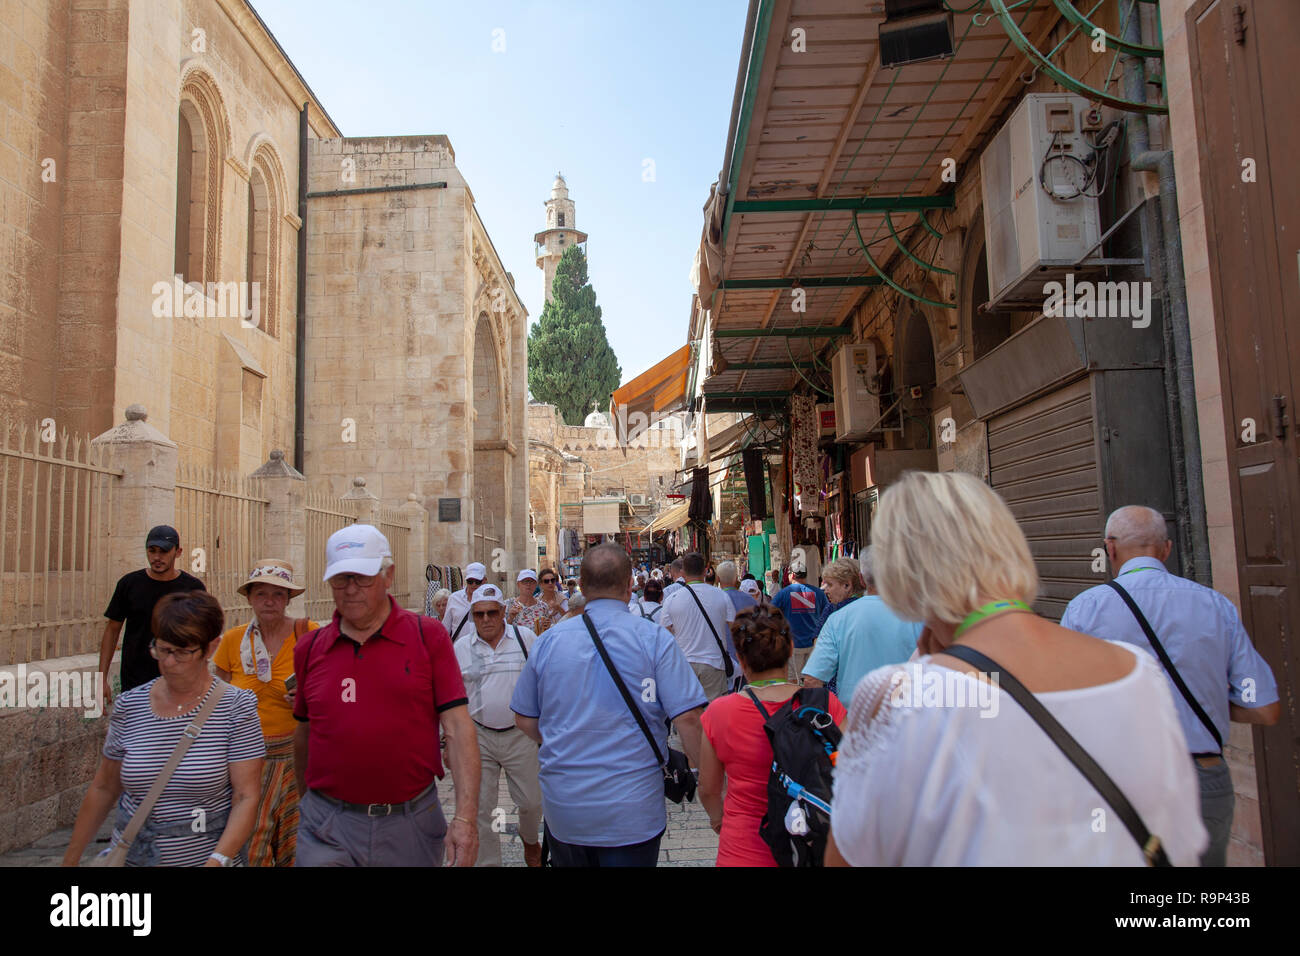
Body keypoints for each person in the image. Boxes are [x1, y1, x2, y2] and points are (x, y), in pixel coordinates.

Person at [826, 471, 1208, 866]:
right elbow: (1178, 845)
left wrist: (920, 668)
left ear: (900, 575)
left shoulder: (897, 696)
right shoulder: (1139, 672)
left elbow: (849, 858)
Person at [1060, 505, 1281, 867]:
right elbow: (1264, 706)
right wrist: (1204, 700)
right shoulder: (1215, 606)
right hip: (1202, 781)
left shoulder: (1086, 610)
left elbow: (1064, 702)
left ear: (1110, 549)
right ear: (1166, 549)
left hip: (1121, 782)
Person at [292, 524, 480, 867]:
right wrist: (310, 805)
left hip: (408, 824)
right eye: (340, 579)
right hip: (326, 825)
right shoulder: (310, 648)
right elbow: (304, 732)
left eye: (362, 578)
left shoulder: (428, 638)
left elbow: (457, 727)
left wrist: (466, 820)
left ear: (388, 575)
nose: (350, 590)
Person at [511, 544, 707, 867]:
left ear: (581, 588)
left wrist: (563, 738)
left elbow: (523, 717)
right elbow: (689, 719)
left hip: (567, 810)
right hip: (633, 811)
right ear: (631, 585)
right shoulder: (654, 640)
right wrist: (709, 790)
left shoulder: (548, 643)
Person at [64, 591, 263, 866]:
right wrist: (71, 860)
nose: (168, 662)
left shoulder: (236, 708)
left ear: (210, 648)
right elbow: (104, 787)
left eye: (182, 652)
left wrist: (217, 861)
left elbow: (246, 796)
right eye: (163, 649)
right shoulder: (129, 706)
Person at [698, 606, 848, 866]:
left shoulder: (719, 712)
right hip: (814, 844)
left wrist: (718, 819)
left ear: (740, 659)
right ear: (790, 649)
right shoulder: (825, 705)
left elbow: (709, 789)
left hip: (744, 846)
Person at [210, 560, 318, 867]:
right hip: (247, 760)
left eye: (277, 594)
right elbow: (215, 698)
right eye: (261, 594)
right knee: (252, 844)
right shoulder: (232, 641)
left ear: (288, 599)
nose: (269, 601)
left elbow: (334, 687)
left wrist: (308, 697)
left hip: (298, 757)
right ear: (249, 598)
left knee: (298, 844)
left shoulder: (308, 634)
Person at [453, 583, 543, 867]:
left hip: (521, 734)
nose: (486, 620)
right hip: (478, 736)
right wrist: (448, 740)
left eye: (492, 612)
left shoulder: (525, 638)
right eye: (479, 614)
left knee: (531, 802)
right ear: (472, 615)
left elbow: (544, 680)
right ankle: (489, 862)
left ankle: (531, 841)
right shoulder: (461, 649)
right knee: (482, 808)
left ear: (504, 611)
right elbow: (453, 697)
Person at [99, 525, 206, 703]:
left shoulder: (193, 588)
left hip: (178, 683)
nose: (157, 557)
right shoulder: (129, 584)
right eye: (152, 551)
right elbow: (112, 630)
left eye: (163, 551)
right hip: (135, 684)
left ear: (178, 552)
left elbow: (203, 637)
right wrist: (101, 680)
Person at [802, 547, 922, 705]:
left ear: (862, 579)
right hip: (907, 717)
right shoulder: (919, 617)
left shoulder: (838, 619)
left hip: (853, 718)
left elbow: (812, 679)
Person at [659, 552, 737, 701]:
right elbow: (735, 629)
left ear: (683, 572)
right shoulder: (721, 596)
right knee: (713, 715)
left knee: (687, 713)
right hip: (714, 664)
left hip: (684, 665)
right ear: (706, 570)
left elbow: (665, 636)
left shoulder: (672, 600)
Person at [771, 562, 830, 682]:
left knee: (792, 680)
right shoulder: (819, 593)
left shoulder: (784, 593)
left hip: (793, 645)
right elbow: (827, 615)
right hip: (814, 645)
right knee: (812, 679)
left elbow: (770, 613)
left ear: (792, 575)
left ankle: (795, 701)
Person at [443, 561, 487, 642]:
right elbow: (445, 628)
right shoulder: (454, 598)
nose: (473, 585)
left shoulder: (490, 600)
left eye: (477, 582)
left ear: (484, 580)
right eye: (470, 581)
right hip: (459, 650)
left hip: (483, 649)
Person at [517, 567, 567, 635]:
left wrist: (559, 608)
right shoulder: (537, 600)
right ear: (540, 584)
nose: (550, 583)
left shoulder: (563, 599)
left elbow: (569, 618)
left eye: (552, 580)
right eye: (546, 581)